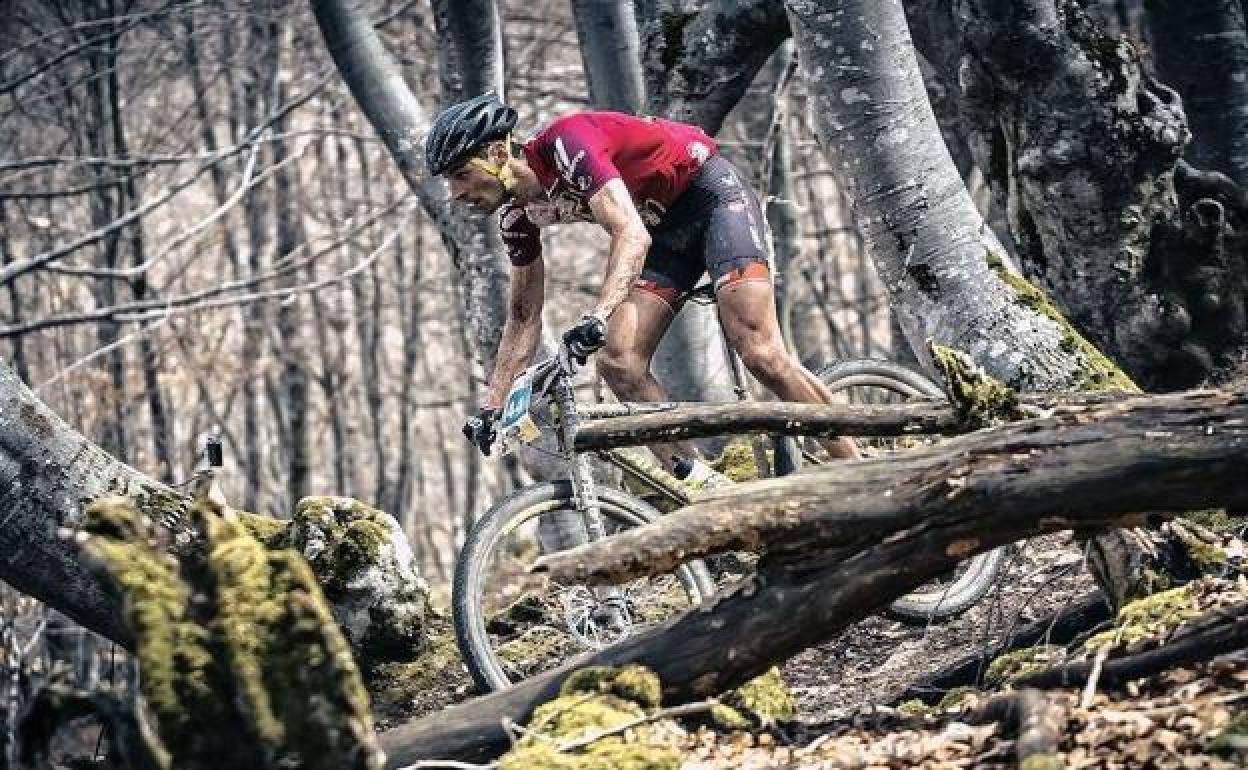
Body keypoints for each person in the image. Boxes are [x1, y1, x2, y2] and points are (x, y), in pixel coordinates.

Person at [425, 93, 858, 471]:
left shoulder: (566, 143)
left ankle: (854, 469)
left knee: (759, 351)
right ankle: (700, 484)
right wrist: (493, 406)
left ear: (498, 155)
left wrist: (598, 314)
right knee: (619, 362)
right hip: (665, 234)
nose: (455, 193)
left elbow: (629, 232)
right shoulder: (518, 217)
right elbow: (523, 317)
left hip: (711, 199)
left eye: (460, 174)